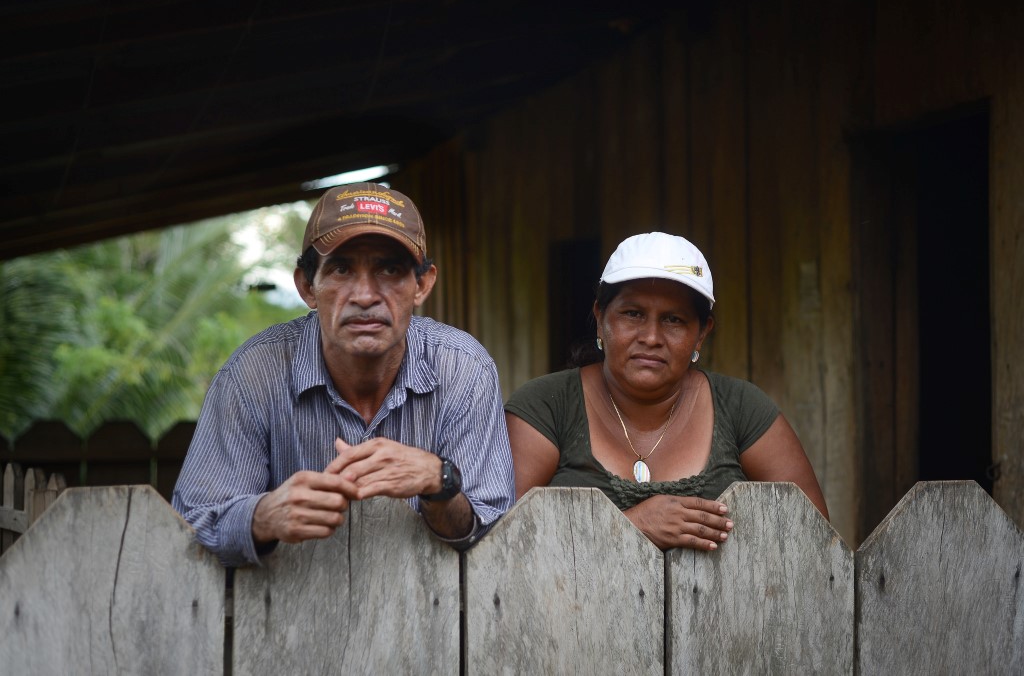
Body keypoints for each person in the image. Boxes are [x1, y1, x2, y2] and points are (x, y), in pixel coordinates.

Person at [172, 182, 515, 566]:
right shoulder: (253, 375)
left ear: (422, 285)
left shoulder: (464, 369)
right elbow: (191, 524)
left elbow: (493, 534)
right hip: (284, 601)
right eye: (341, 268)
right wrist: (261, 518)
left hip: (433, 601)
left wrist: (441, 482)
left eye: (390, 269)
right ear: (307, 286)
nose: (365, 296)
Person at [505, 231, 828, 551]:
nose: (651, 337)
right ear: (600, 318)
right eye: (633, 314)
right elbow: (501, 544)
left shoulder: (742, 409)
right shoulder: (546, 407)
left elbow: (815, 541)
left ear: (701, 333)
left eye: (673, 319)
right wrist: (630, 526)